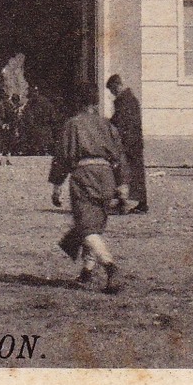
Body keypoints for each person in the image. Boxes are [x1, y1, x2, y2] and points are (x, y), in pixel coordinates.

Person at [48, 84, 129, 293]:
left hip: (85, 175)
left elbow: (63, 156)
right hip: (107, 175)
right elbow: (119, 155)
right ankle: (87, 271)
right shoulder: (107, 125)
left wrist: (57, 186)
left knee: (86, 227)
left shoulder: (72, 125)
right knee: (95, 225)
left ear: (77, 102)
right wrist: (122, 185)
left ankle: (110, 266)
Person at [105, 74, 147, 214]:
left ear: (117, 86)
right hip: (133, 141)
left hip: (128, 142)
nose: (112, 93)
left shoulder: (125, 101)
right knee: (135, 173)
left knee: (123, 172)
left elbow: (122, 122)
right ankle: (140, 203)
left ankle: (124, 203)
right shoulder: (129, 99)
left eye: (112, 90)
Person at [22, 84, 56, 157]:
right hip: (38, 124)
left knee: (42, 137)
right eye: (33, 92)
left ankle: (43, 149)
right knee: (39, 137)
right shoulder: (31, 102)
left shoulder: (43, 101)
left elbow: (51, 112)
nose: (34, 94)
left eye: (35, 92)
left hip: (42, 124)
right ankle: (40, 149)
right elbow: (27, 112)